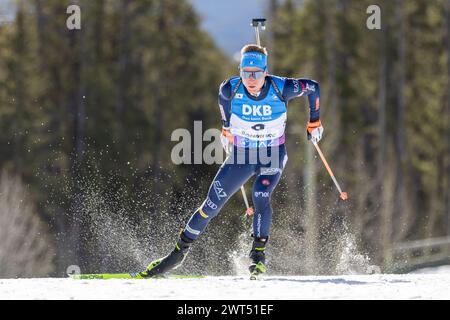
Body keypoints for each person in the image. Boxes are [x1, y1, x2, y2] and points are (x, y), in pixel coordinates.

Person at [140, 44, 323, 278]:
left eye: (256, 73)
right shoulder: (229, 89)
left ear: (265, 71)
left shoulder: (282, 87)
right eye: (246, 73)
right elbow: (223, 106)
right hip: (242, 155)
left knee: (260, 194)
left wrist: (314, 121)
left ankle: (258, 257)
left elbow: (313, 88)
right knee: (211, 204)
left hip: (271, 154)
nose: (251, 78)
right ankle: (176, 255)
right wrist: (226, 130)